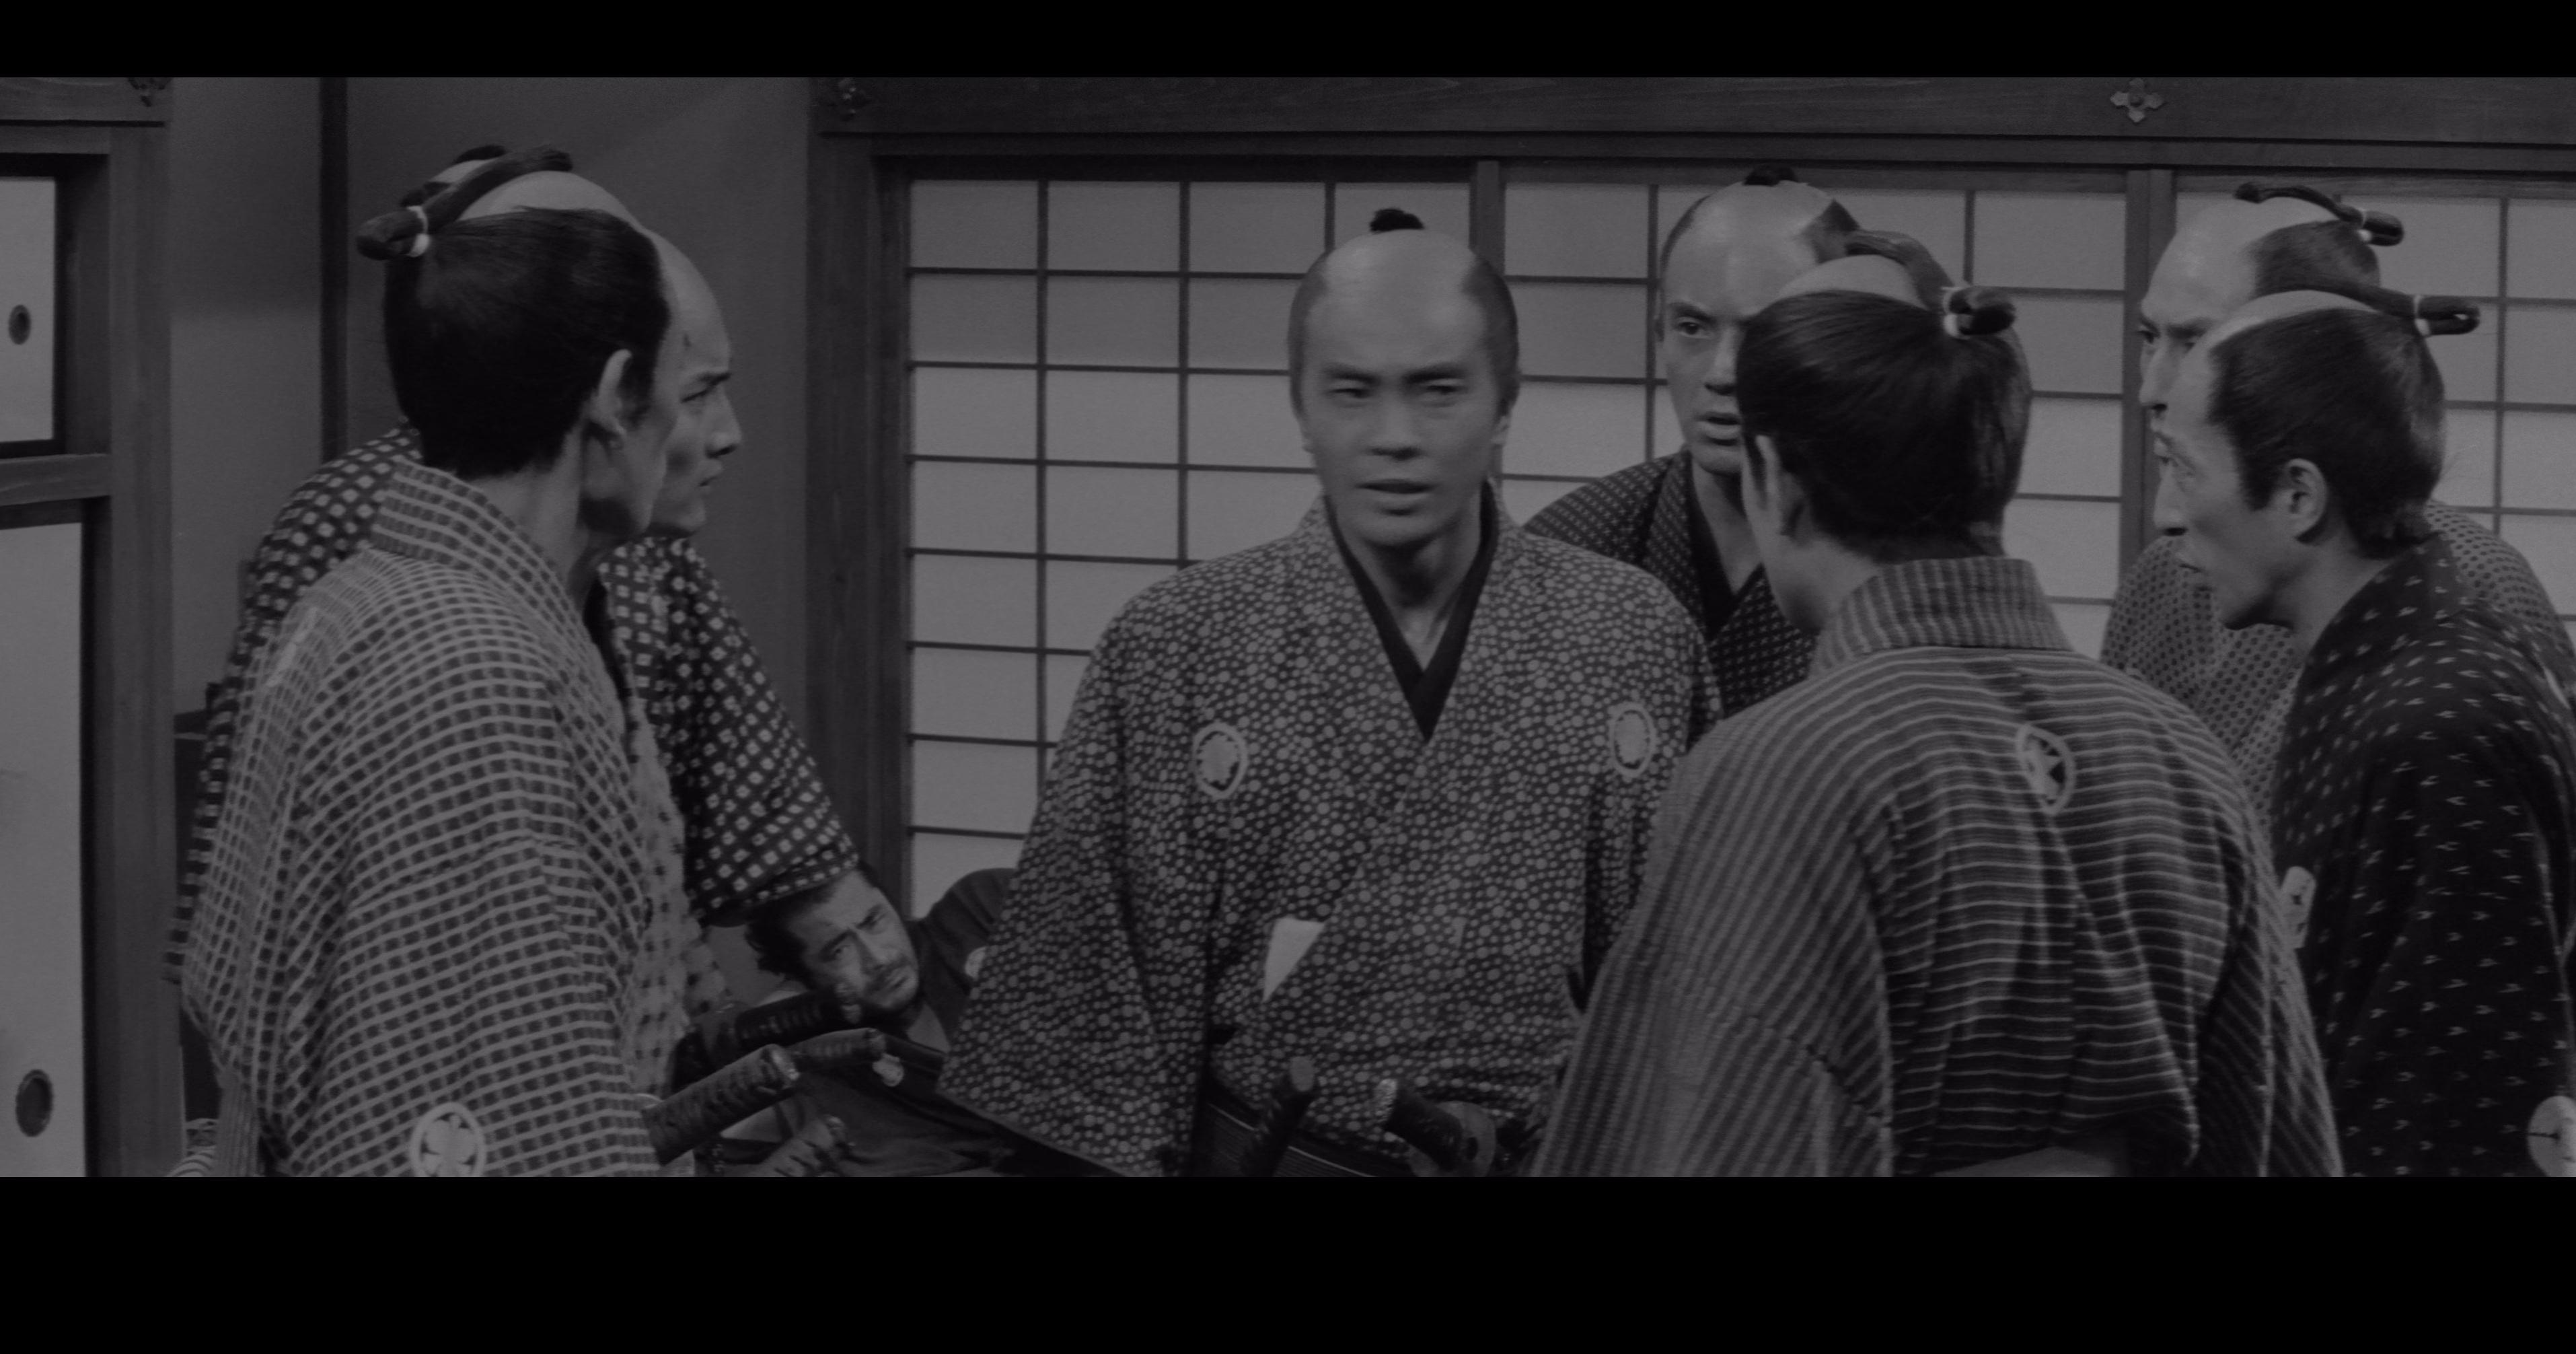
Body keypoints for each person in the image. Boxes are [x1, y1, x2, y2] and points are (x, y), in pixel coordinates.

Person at [941, 211, 1716, 1177]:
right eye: (1353, 392)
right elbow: (1082, 1029)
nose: (1394, 437)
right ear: (1301, 408)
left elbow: (1685, 992)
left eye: (1438, 391)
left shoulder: (1632, 636)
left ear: (1505, 405)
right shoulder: (1175, 646)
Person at [1533, 283, 2336, 1177]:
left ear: (1775, 479)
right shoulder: (2178, 756)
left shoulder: (1783, 765)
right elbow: (2279, 1137)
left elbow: (1718, 1138)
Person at [168, 147, 858, 1069]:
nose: (724, 431)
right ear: (608, 390)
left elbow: (696, 826)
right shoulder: (446, 622)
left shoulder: (619, 544)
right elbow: (417, 1012)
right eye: (689, 390)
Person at [2151, 291, 2576, 1177]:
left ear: (2297, 495)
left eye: (2183, 470)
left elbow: (2458, 1129)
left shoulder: (2441, 722)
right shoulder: (2384, 666)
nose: (2166, 513)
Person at [2106, 182, 2576, 825]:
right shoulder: (2169, 568)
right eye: (2148, 337)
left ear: (2311, 347)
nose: (2152, 387)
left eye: (2195, 342)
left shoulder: (2478, 584)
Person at [1526, 165, 1864, 718]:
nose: (1722, 372)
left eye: (1761, 333)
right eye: (1692, 328)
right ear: (1658, 332)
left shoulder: (1883, 561)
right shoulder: (1572, 543)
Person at [703, 867, 1101, 1176]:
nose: (878, 958)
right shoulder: (829, 1062)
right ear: (803, 976)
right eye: (839, 951)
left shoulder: (980, 908)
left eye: (875, 920)